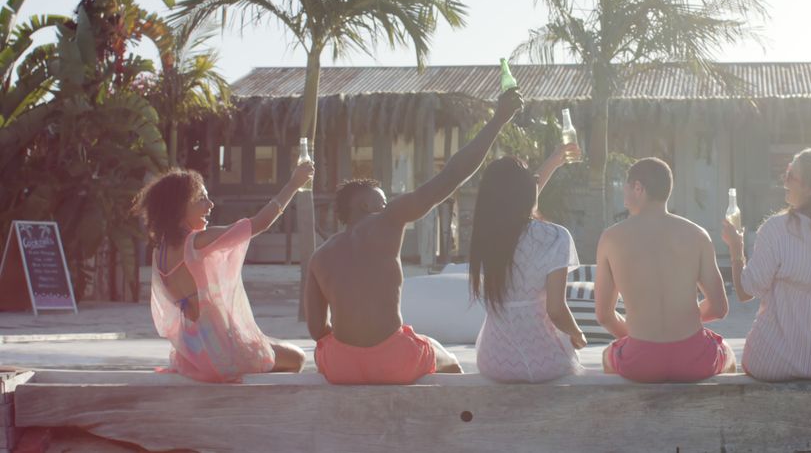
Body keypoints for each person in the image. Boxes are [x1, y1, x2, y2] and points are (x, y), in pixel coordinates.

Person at [305, 89, 524, 385]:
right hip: (393, 359)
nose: (389, 205)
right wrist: (498, 120)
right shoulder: (386, 220)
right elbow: (451, 176)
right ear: (366, 206)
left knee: (341, 351)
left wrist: (354, 348)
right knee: (449, 360)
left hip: (341, 365)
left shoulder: (320, 257)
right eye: (382, 201)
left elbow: (318, 329)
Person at [133, 161, 314, 383]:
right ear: (179, 207)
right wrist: (293, 184)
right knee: (298, 357)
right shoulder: (197, 242)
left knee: (269, 343)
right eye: (201, 199)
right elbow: (260, 223)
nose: (210, 204)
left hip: (192, 355)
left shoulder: (159, 252)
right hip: (221, 355)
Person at [721, 149, 811, 381]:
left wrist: (736, 248)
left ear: (810, 189)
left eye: (790, 175)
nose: (783, 180)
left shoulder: (776, 229)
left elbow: (746, 292)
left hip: (769, 361)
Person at [595, 157, 735, 382]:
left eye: (626, 188)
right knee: (727, 353)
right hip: (694, 357)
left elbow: (603, 315)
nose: (624, 197)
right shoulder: (697, 235)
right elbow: (719, 308)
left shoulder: (610, 238)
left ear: (638, 188)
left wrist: (641, 336)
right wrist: (679, 318)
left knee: (606, 356)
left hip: (640, 361)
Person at [470, 146, 588, 383]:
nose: (536, 181)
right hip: (545, 363)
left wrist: (553, 161)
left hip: (494, 361)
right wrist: (578, 334)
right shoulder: (555, 237)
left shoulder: (484, 237)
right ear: (526, 192)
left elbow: (515, 201)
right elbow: (555, 310)